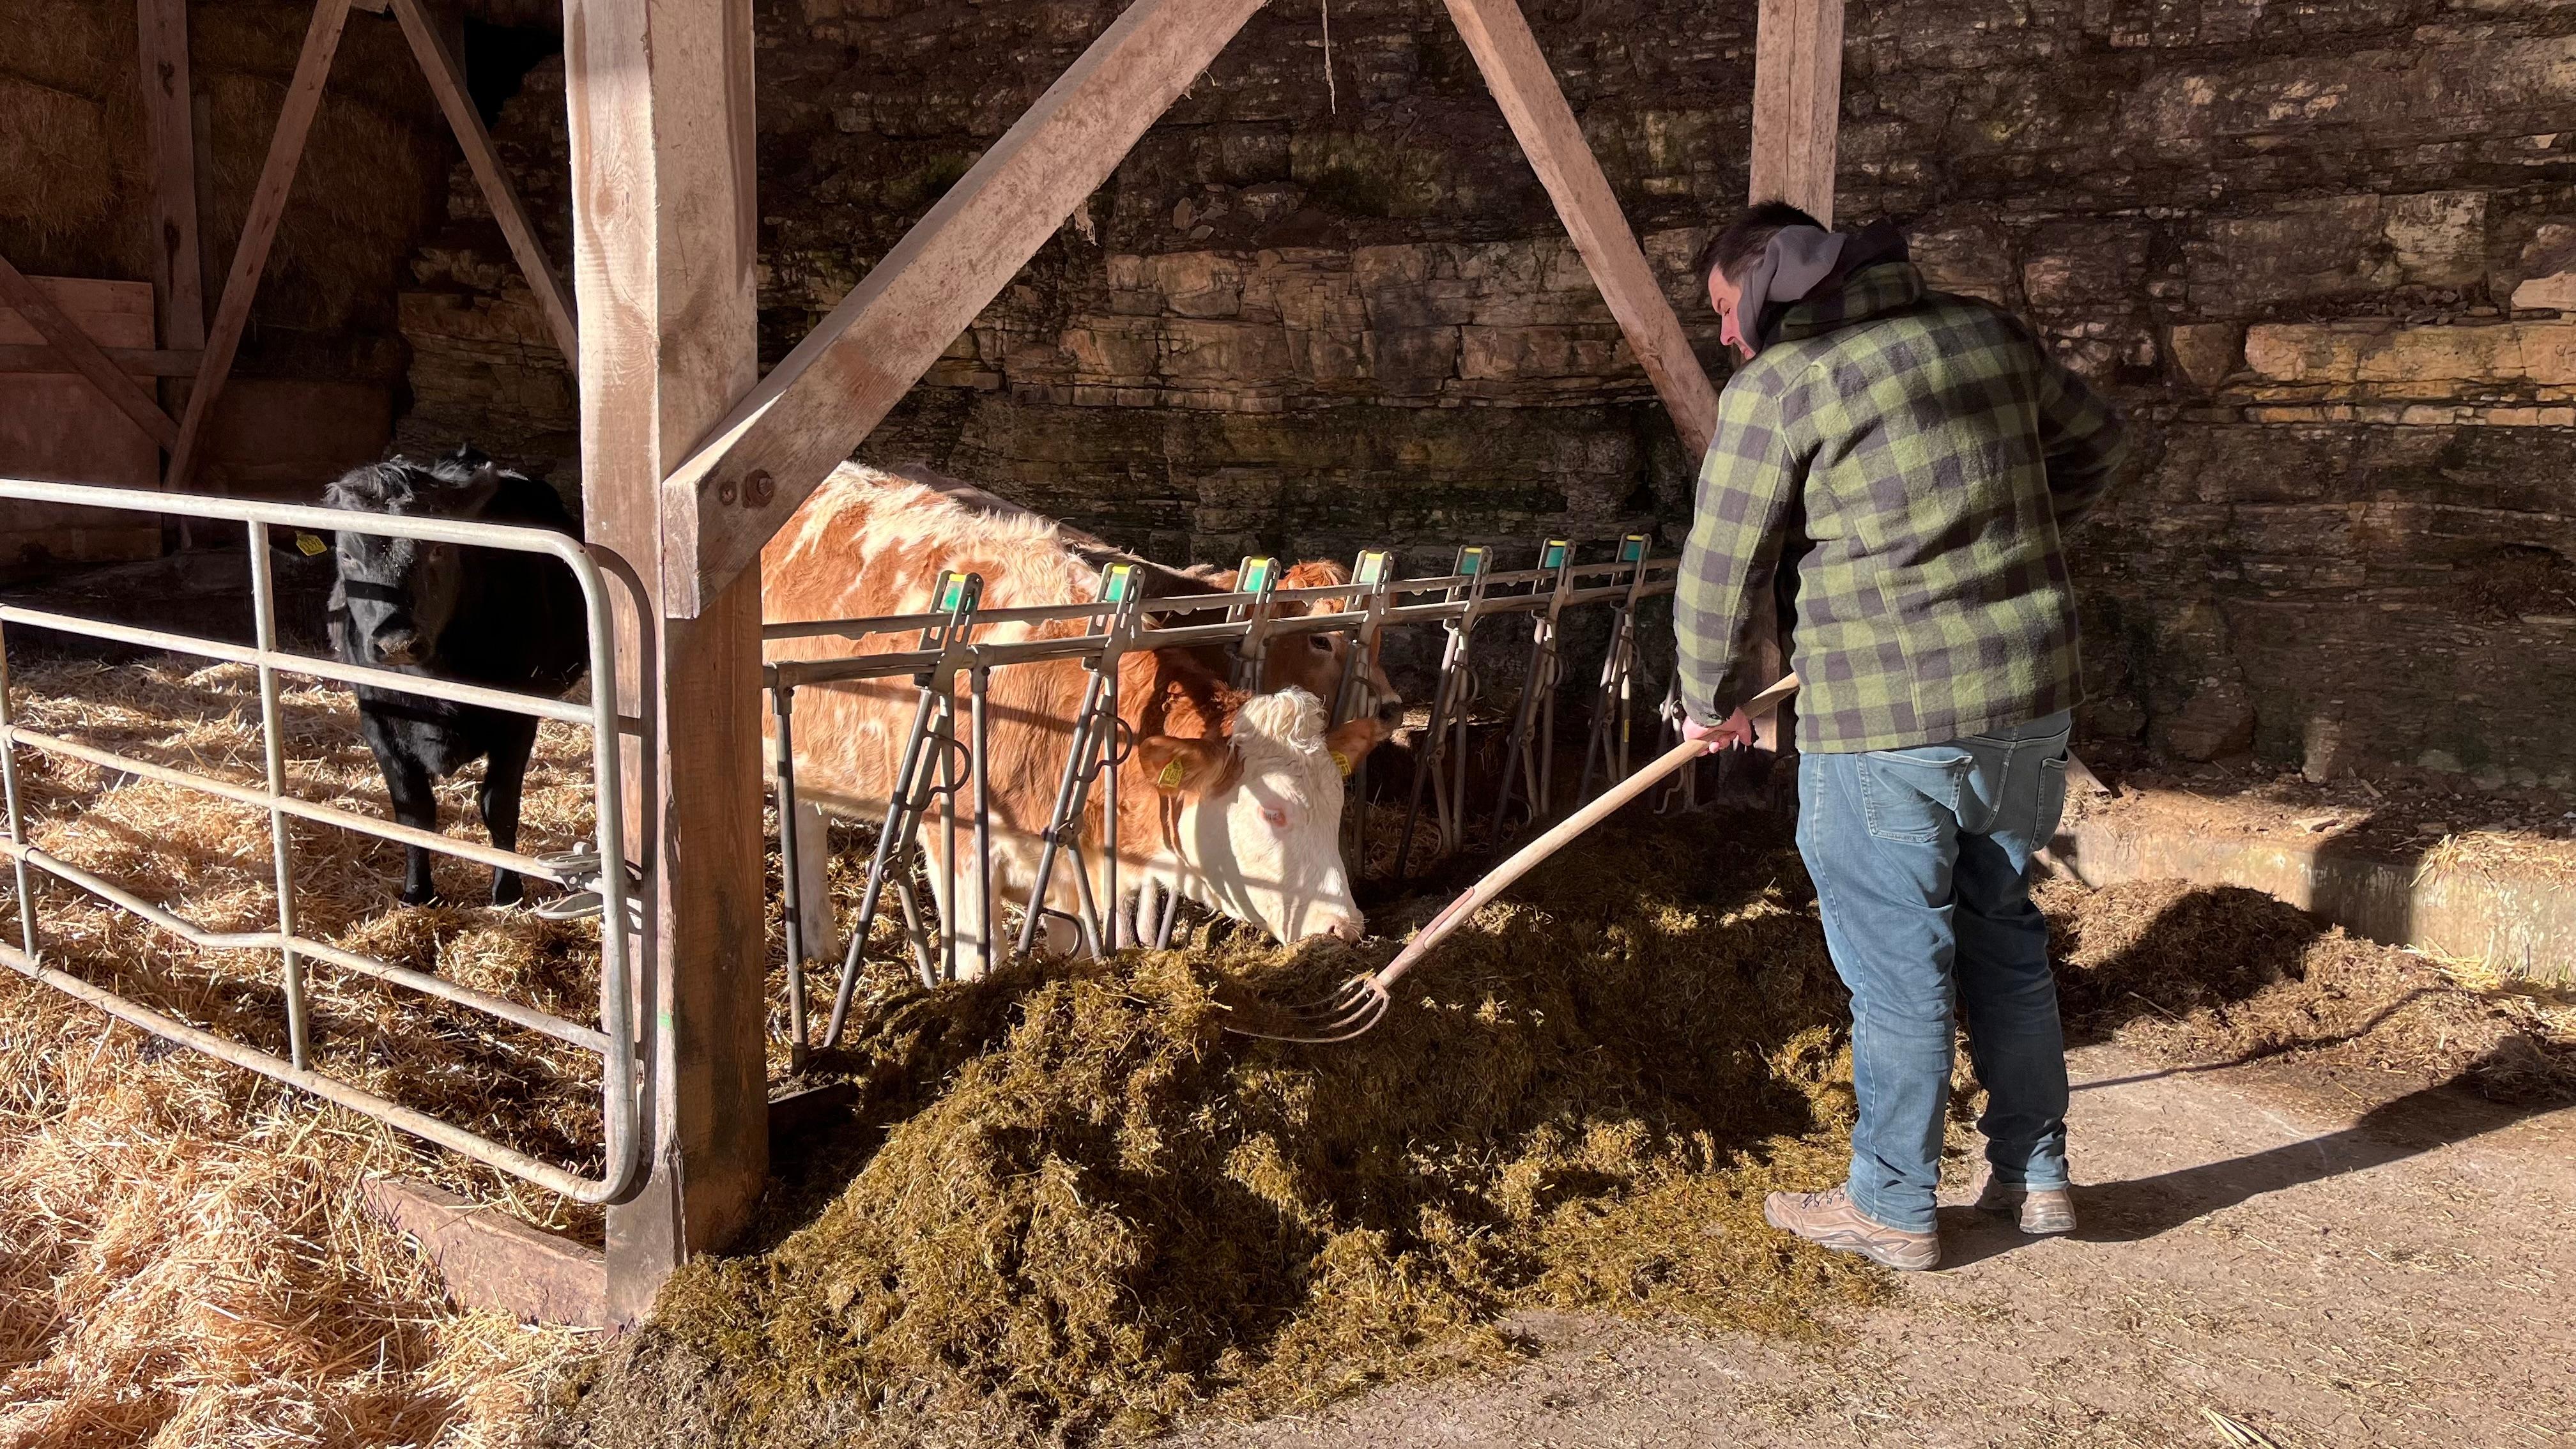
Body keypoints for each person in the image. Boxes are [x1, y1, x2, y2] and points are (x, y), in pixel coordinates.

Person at [1675, 201, 2128, 1269]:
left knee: (1896, 966)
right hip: (2027, 699)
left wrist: (1706, 700)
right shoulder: (1985, 332)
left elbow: (1717, 567)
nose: (1726, 337)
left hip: (1883, 721)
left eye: (1726, 311)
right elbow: (2103, 444)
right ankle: (2036, 1174)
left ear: (1765, 285)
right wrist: (2007, 539)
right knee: (2004, 932)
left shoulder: (1780, 387)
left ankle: (1891, 1202)